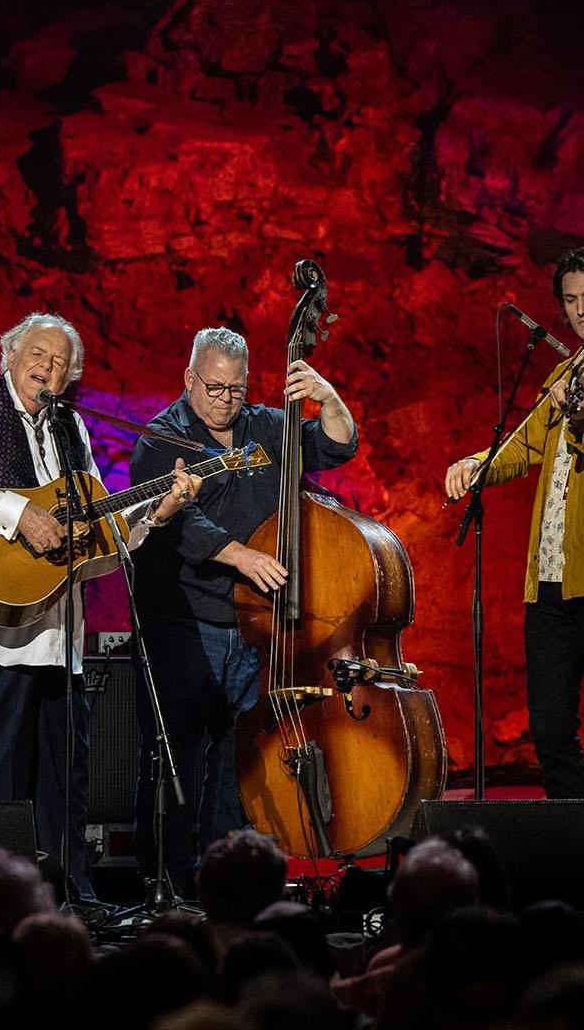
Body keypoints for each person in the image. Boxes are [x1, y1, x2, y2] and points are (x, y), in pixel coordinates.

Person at [0, 313, 199, 900]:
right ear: (9, 354)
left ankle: (71, 897)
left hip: (54, 624)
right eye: (37, 355)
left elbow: (102, 526)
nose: (45, 367)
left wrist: (157, 511)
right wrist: (17, 514)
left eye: (59, 363)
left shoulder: (71, 427)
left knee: (64, 773)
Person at [128, 326, 358, 892]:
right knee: (176, 757)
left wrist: (328, 398)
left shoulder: (266, 426)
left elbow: (336, 445)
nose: (225, 399)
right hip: (185, 621)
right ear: (189, 380)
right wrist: (242, 557)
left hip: (253, 627)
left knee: (234, 761)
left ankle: (222, 884)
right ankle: (165, 883)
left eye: (236, 389)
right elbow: (180, 521)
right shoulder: (162, 437)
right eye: (213, 387)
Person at [443, 245, 584, 801]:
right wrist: (479, 463)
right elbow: (524, 447)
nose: (579, 311)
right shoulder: (567, 371)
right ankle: (576, 848)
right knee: (549, 730)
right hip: (551, 575)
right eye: (569, 301)